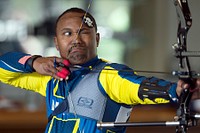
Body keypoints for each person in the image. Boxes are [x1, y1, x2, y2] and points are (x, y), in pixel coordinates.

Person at [0, 7, 199, 133]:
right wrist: (34, 62)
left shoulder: (109, 77)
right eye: (67, 33)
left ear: (96, 39)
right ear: (57, 43)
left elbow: (140, 87)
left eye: (83, 33)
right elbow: (3, 69)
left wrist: (179, 91)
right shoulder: (50, 78)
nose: (76, 40)